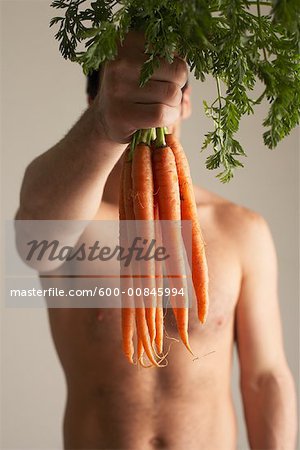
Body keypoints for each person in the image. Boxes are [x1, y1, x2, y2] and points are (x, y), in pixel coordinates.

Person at [15, 32, 297, 450]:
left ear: (184, 102)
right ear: (97, 99)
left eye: (163, 92)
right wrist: (104, 124)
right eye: (132, 93)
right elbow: (33, 233)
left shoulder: (240, 229)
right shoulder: (73, 221)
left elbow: (265, 377)